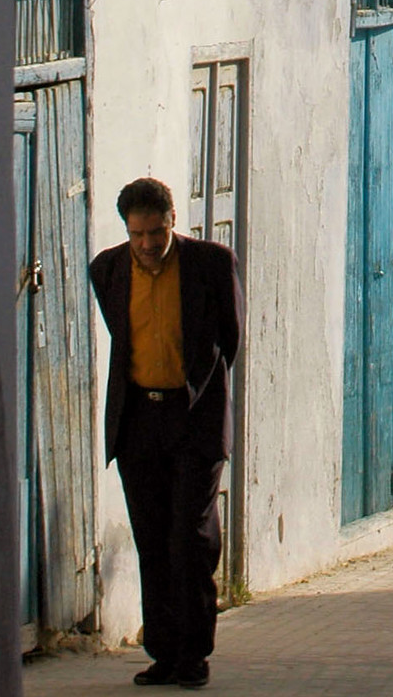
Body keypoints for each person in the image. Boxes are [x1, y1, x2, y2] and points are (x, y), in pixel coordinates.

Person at [89, 177, 243, 689]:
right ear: (126, 233)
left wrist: (197, 396)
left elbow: (229, 342)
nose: (148, 244)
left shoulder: (212, 265)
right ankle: (163, 651)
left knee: (189, 539)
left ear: (173, 220)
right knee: (152, 541)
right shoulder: (107, 270)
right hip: (139, 421)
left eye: (156, 232)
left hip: (192, 418)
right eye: (138, 235)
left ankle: (194, 655)